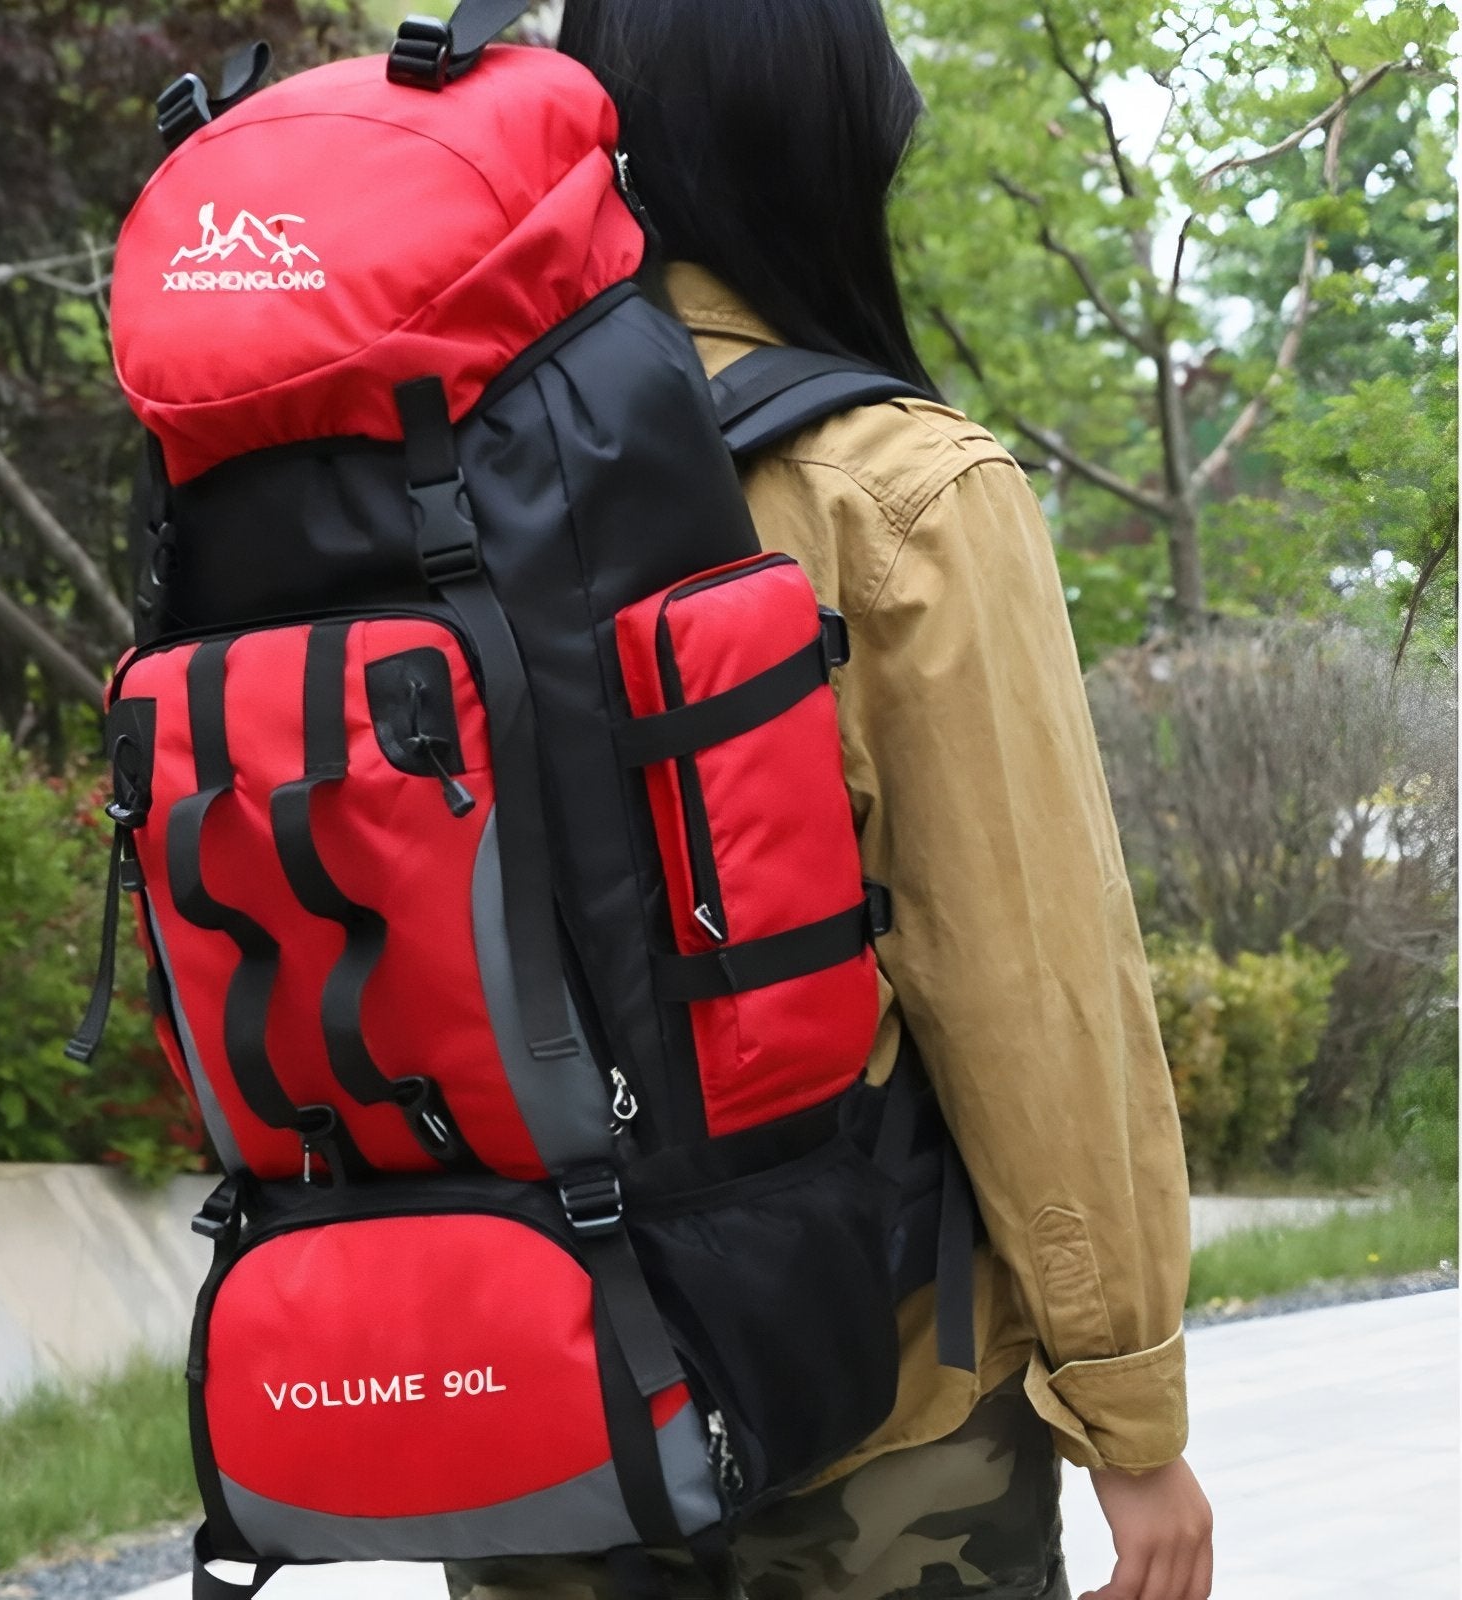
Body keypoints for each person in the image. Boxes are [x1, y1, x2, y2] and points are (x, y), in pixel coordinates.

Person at [449, 3, 1214, 1599]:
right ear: (825, 137)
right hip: (880, 1410)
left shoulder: (442, 477)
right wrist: (1128, 1408)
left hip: (538, 1398)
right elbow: (1028, 986)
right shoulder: (898, 483)